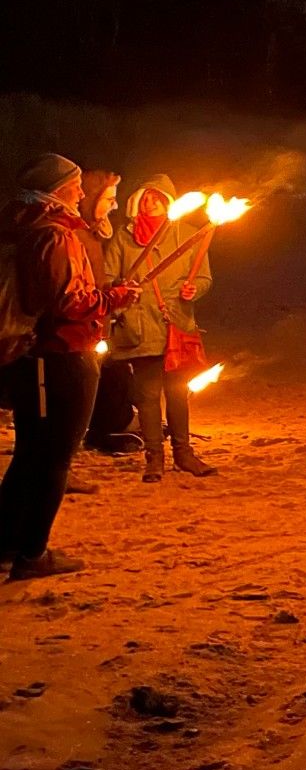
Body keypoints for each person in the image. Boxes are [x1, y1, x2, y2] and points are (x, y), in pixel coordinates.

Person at [0, 155, 139, 580]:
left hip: (36, 358)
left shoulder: (26, 225)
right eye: (76, 185)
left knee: (30, 455)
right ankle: (33, 554)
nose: (82, 192)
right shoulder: (54, 235)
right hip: (59, 357)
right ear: (59, 190)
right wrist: (113, 298)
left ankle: (5, 544)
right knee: (53, 459)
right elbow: (69, 303)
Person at [104, 175, 217, 481]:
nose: (150, 203)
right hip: (139, 327)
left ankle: (184, 454)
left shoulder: (189, 234)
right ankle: (154, 458)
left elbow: (204, 278)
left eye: (156, 198)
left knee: (178, 394)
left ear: (168, 202)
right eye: (145, 198)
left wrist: (196, 289)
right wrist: (122, 286)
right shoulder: (123, 239)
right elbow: (107, 276)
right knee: (148, 396)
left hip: (175, 326)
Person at [76, 170, 140, 455]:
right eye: (109, 199)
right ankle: (98, 432)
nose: (115, 206)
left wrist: (115, 288)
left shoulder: (92, 233)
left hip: (94, 321)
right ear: (90, 199)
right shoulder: (74, 235)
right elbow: (75, 288)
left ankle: (108, 427)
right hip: (76, 327)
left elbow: (95, 280)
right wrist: (112, 296)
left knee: (112, 373)